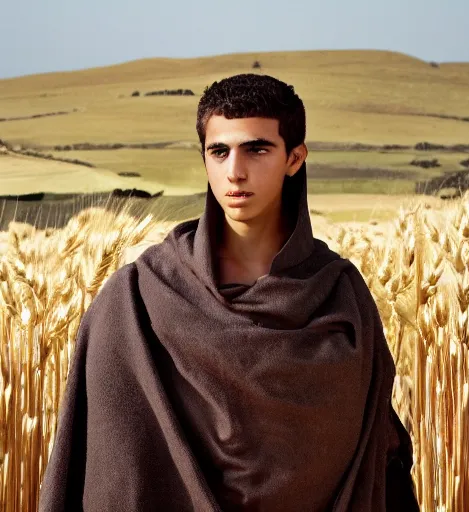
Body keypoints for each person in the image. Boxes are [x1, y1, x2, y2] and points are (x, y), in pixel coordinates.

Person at [39, 74, 419, 511]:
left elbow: (378, 453)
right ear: (204, 159)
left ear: (295, 158)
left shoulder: (341, 295)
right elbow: (109, 469)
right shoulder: (137, 301)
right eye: (219, 151)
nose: (235, 171)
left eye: (257, 149)